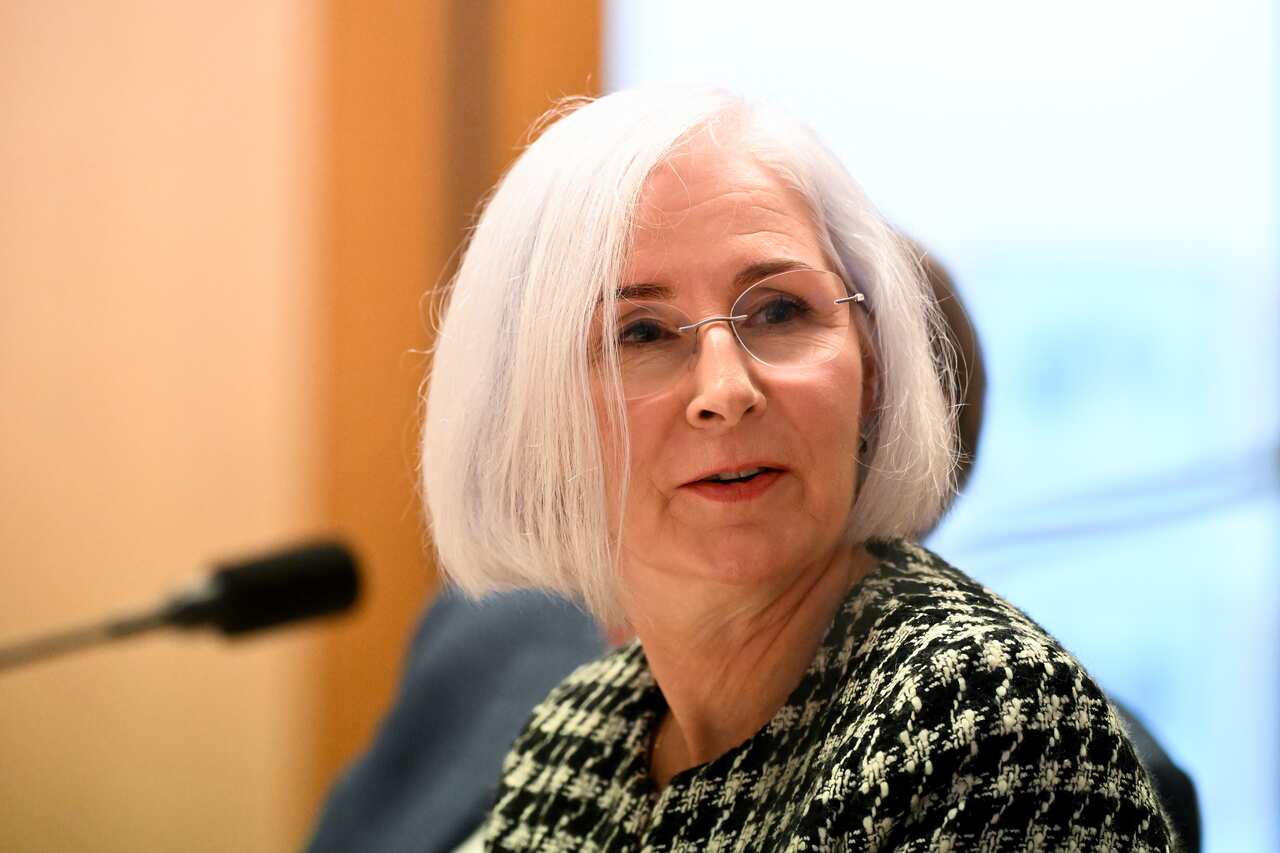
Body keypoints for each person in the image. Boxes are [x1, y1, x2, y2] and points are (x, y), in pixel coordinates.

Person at [420, 86, 1179, 851]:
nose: (725, 390)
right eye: (643, 330)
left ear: (872, 370)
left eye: (778, 311)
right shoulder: (577, 731)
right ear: (534, 420)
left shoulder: (991, 722)